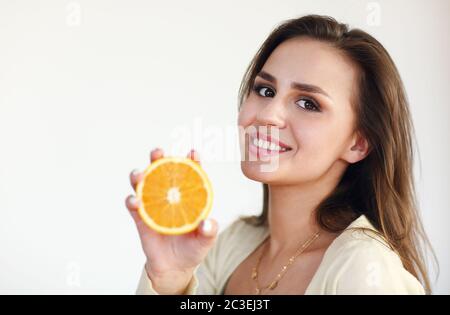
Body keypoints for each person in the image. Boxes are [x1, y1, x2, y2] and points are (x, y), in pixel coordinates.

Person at [126, 15, 434, 295]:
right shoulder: (233, 244)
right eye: (265, 90)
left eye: (308, 104)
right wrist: (170, 280)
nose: (268, 115)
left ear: (358, 143)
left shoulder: (364, 269)